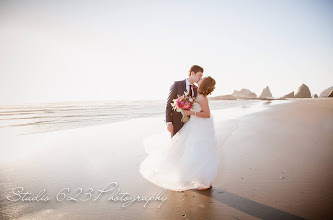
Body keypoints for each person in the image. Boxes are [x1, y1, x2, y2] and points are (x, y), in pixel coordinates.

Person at [139, 76, 219, 191]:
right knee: (194, 151)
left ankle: (204, 181)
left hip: (201, 126)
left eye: (202, 79)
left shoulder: (202, 97)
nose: (199, 79)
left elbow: (207, 114)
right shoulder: (197, 94)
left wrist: (190, 111)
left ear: (204, 83)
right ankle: (201, 179)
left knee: (200, 152)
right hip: (195, 124)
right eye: (200, 77)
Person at [165, 65, 203, 137]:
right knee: (176, 145)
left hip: (191, 122)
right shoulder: (177, 85)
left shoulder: (196, 88)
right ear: (192, 73)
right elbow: (169, 104)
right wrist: (169, 122)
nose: (200, 78)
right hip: (176, 122)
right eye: (199, 75)